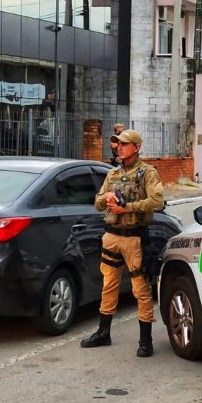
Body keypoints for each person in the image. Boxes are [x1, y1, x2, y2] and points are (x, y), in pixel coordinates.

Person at [81, 129, 164, 357]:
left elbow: (157, 201)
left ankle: (145, 340)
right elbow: (97, 203)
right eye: (118, 144)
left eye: (124, 144)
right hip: (111, 236)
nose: (119, 148)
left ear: (136, 147)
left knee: (140, 289)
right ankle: (103, 333)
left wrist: (127, 208)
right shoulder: (113, 174)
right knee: (108, 285)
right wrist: (106, 199)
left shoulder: (147, 173)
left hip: (134, 238)